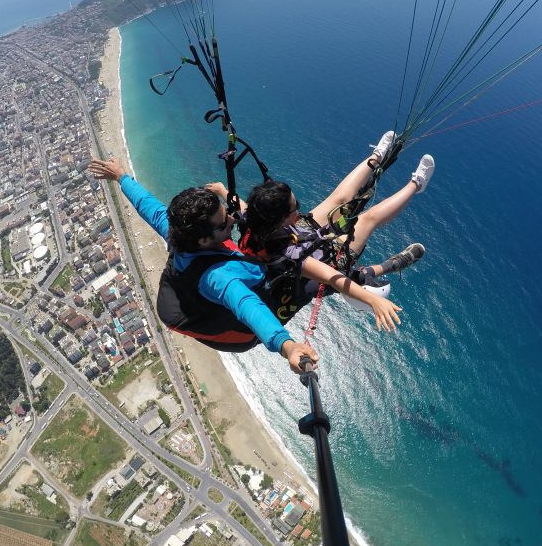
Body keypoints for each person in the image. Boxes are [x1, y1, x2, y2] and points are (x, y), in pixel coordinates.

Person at [86, 156, 317, 373]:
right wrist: (286, 346)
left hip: (202, 305)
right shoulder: (217, 277)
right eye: (223, 222)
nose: (232, 220)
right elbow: (247, 305)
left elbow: (148, 206)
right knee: (306, 286)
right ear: (204, 240)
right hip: (242, 334)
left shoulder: (181, 236)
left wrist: (121, 176)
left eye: (226, 214)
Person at [207, 131, 433, 323]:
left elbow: (245, 208)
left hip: (301, 234)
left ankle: (376, 156)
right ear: (280, 219)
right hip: (327, 257)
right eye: (295, 208)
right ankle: (416, 185)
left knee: (339, 198)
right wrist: (372, 301)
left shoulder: (255, 222)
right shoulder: (290, 256)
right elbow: (332, 277)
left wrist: (221, 190)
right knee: (368, 219)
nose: (299, 210)